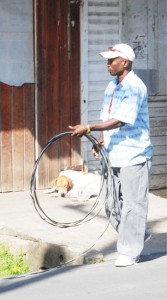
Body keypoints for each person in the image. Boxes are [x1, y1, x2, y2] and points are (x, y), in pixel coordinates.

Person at [69, 43, 153, 267]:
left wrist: (88, 128)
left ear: (124, 63)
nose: (107, 64)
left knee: (133, 205)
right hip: (113, 153)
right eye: (107, 60)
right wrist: (100, 140)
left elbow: (121, 119)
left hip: (134, 155)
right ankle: (137, 232)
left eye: (112, 60)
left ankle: (129, 251)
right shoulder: (111, 86)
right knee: (110, 203)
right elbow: (108, 116)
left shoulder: (135, 86)